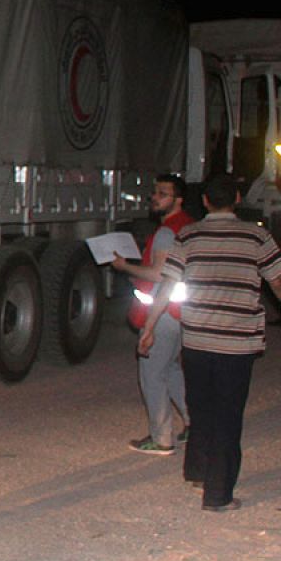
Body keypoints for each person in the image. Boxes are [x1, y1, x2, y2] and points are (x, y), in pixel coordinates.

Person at [139, 173, 281, 512]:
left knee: (200, 408)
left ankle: (198, 470)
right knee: (227, 416)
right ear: (239, 198)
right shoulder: (257, 236)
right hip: (237, 344)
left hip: (197, 339)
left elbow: (167, 285)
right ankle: (218, 495)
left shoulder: (189, 235)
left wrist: (150, 325)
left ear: (204, 201)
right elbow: (277, 282)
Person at [110, 174, 195, 455]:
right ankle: (194, 423)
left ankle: (161, 439)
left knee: (152, 375)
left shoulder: (167, 232)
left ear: (178, 199)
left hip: (164, 313)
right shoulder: (189, 225)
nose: (154, 198)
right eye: (155, 193)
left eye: (162, 194)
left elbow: (159, 274)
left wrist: (126, 267)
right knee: (171, 370)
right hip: (182, 312)